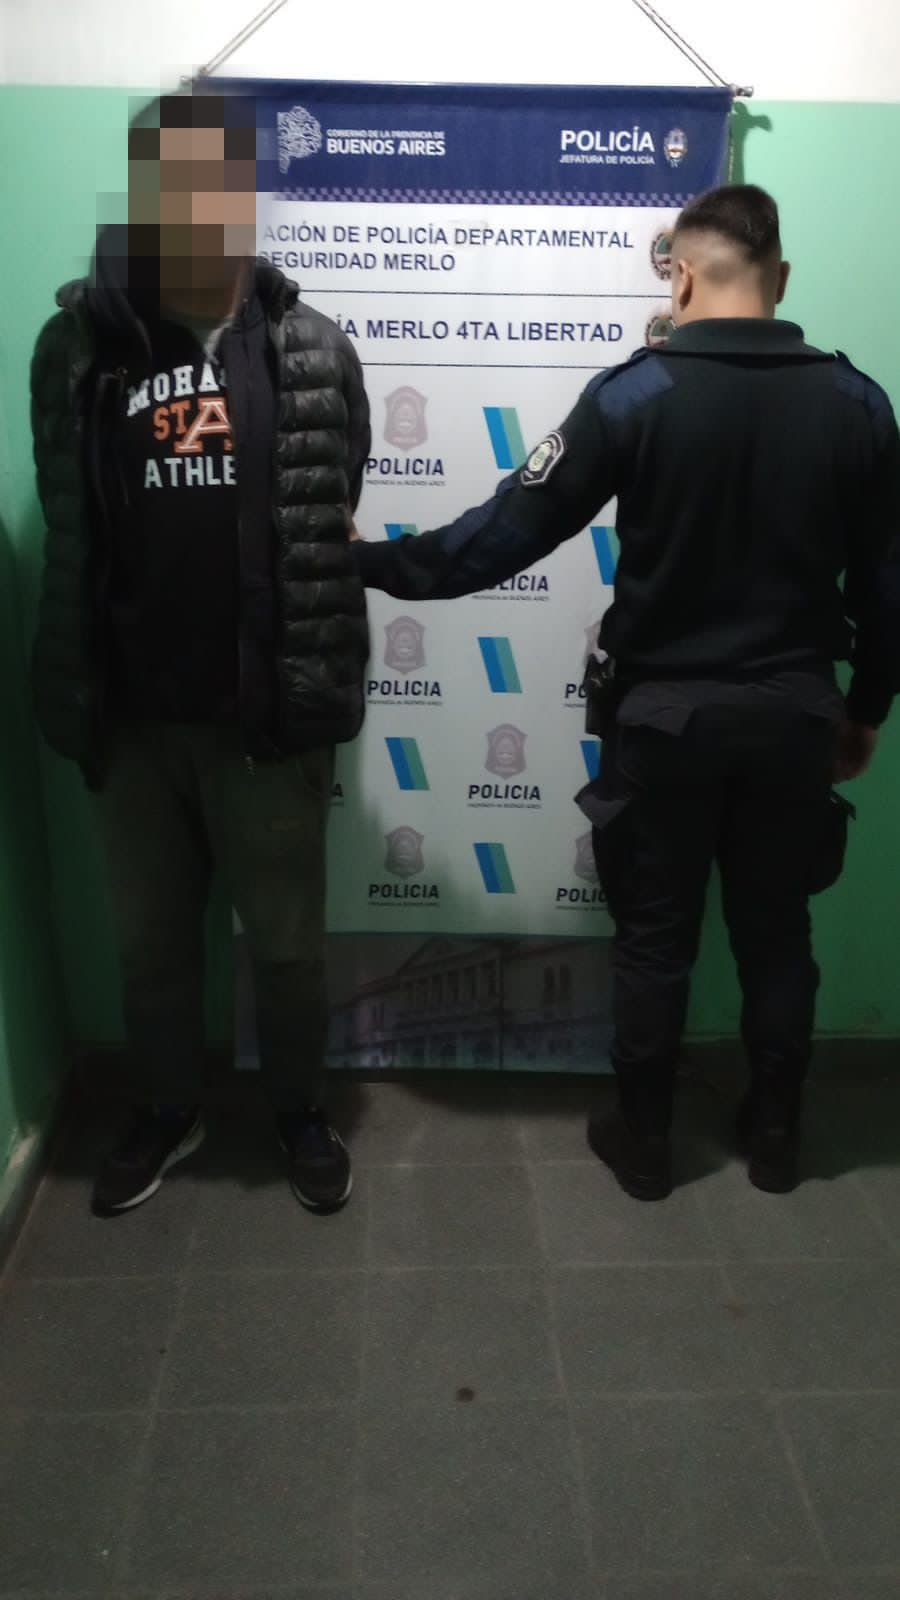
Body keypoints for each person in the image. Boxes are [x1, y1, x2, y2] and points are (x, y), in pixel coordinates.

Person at [352, 184, 900, 1199]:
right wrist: (867, 708)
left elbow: (503, 534)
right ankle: (777, 1137)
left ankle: (645, 1144)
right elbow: (888, 587)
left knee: (655, 938)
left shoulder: (634, 396)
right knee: (778, 933)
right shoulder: (857, 405)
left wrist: (373, 563)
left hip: (665, 723)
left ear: (680, 277)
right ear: (780, 279)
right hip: (796, 719)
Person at [30, 86, 371, 1217]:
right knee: (151, 948)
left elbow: (331, 498)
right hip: (130, 721)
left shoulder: (311, 348)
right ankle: (167, 1108)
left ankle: (298, 1112)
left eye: (219, 182)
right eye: (170, 186)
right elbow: (72, 516)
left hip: (264, 719)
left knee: (286, 949)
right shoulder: (76, 349)